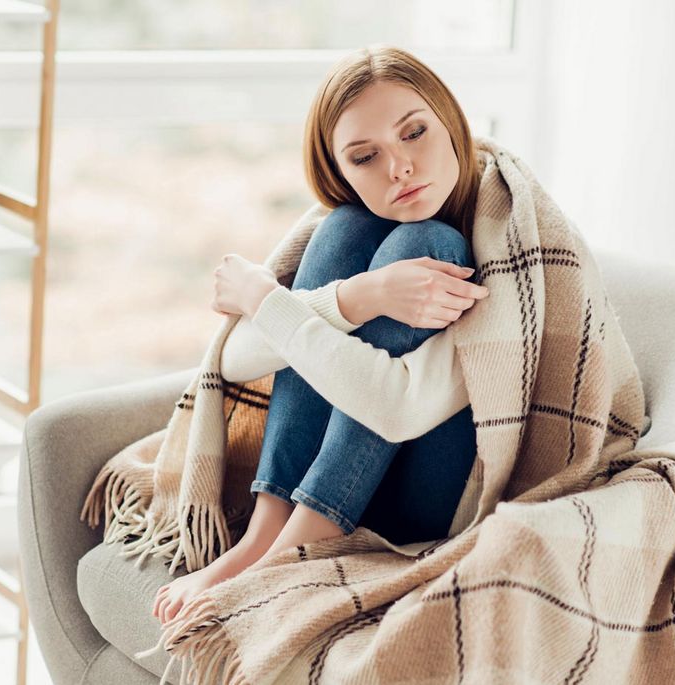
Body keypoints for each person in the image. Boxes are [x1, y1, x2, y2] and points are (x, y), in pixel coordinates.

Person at [153, 44, 491, 626]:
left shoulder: (508, 242)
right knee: (343, 228)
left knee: (430, 244)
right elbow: (233, 361)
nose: (399, 168)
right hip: (348, 477)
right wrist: (365, 295)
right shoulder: (350, 232)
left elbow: (394, 410)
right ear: (341, 171)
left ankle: (296, 550)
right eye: (365, 157)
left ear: (450, 123)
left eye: (414, 133)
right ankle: (265, 533)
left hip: (438, 495)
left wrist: (263, 298)